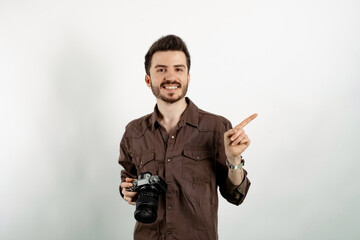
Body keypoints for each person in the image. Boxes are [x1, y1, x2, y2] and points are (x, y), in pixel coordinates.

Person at [118, 34, 257, 240]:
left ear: (188, 77)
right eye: (161, 69)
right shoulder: (134, 132)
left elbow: (236, 195)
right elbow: (128, 180)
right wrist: (127, 191)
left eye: (178, 69)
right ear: (148, 79)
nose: (171, 77)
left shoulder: (217, 128)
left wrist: (234, 160)